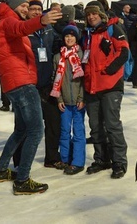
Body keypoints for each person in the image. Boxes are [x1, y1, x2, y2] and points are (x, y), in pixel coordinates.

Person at [0, 0, 61, 195]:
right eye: (22, 5)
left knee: (21, 130)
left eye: (26, 6)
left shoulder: (5, 22)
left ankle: (2, 170)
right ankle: (22, 180)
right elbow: (21, 28)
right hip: (21, 83)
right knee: (36, 131)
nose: (25, 8)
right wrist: (41, 21)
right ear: (13, 7)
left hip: (15, 82)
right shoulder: (9, 21)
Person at [82, 0, 130, 179]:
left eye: (94, 13)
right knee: (95, 126)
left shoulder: (113, 29)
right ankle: (102, 159)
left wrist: (111, 69)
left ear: (101, 14)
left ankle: (119, 161)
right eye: (88, 14)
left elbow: (124, 52)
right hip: (92, 87)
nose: (91, 17)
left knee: (112, 124)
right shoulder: (87, 34)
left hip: (110, 85)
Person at [52, 24, 87, 175]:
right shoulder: (57, 57)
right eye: (67, 36)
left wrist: (82, 97)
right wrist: (59, 99)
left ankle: (78, 162)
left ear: (76, 38)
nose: (69, 38)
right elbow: (56, 80)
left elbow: (85, 80)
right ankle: (65, 159)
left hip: (79, 101)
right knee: (64, 131)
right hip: (64, 101)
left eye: (72, 36)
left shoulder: (82, 55)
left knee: (78, 132)